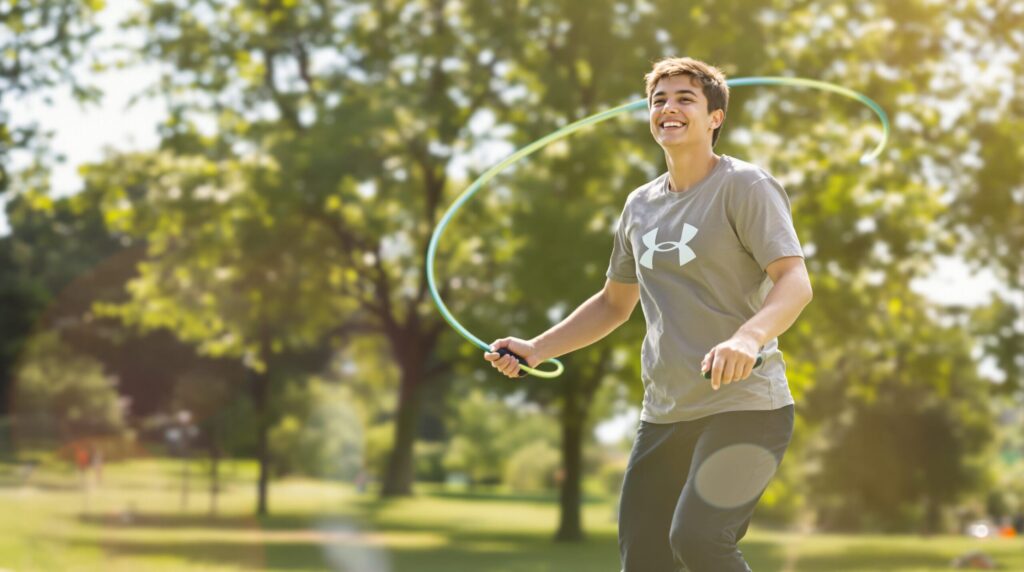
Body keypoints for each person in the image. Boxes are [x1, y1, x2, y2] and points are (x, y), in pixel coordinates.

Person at [483, 56, 813, 572]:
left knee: (699, 539)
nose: (668, 108)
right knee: (644, 559)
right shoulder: (639, 206)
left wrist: (747, 339)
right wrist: (537, 348)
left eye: (685, 99)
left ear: (715, 117)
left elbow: (795, 280)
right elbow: (613, 303)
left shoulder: (745, 186)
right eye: (658, 100)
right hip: (665, 412)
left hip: (746, 406)